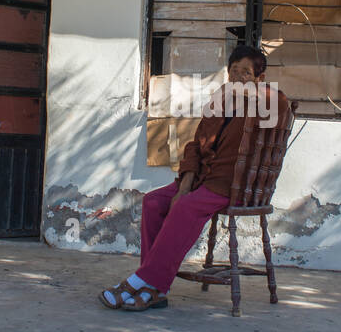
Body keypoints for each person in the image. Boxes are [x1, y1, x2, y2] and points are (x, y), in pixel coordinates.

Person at [99, 45, 290, 311]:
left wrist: (251, 91)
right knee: (155, 201)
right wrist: (184, 186)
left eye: (246, 72)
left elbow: (278, 101)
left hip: (233, 185)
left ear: (260, 77)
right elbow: (196, 145)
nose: (238, 78)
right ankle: (157, 290)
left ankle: (140, 281)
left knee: (187, 207)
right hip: (200, 179)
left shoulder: (270, 102)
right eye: (233, 71)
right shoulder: (220, 101)